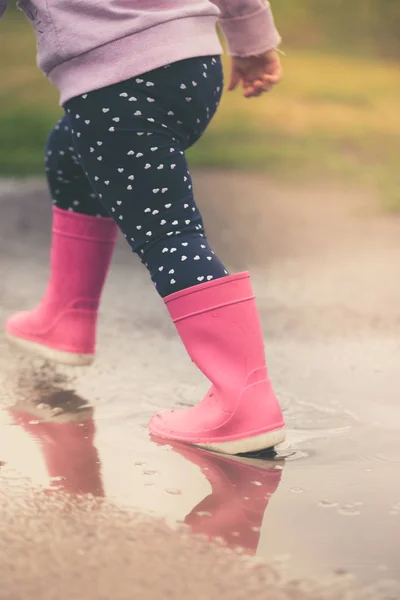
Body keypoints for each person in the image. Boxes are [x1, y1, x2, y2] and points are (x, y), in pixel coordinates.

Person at [2, 0, 286, 455]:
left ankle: (244, 403)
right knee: (71, 151)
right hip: (193, 69)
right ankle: (65, 318)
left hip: (114, 84)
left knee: (170, 235)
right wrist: (251, 42)